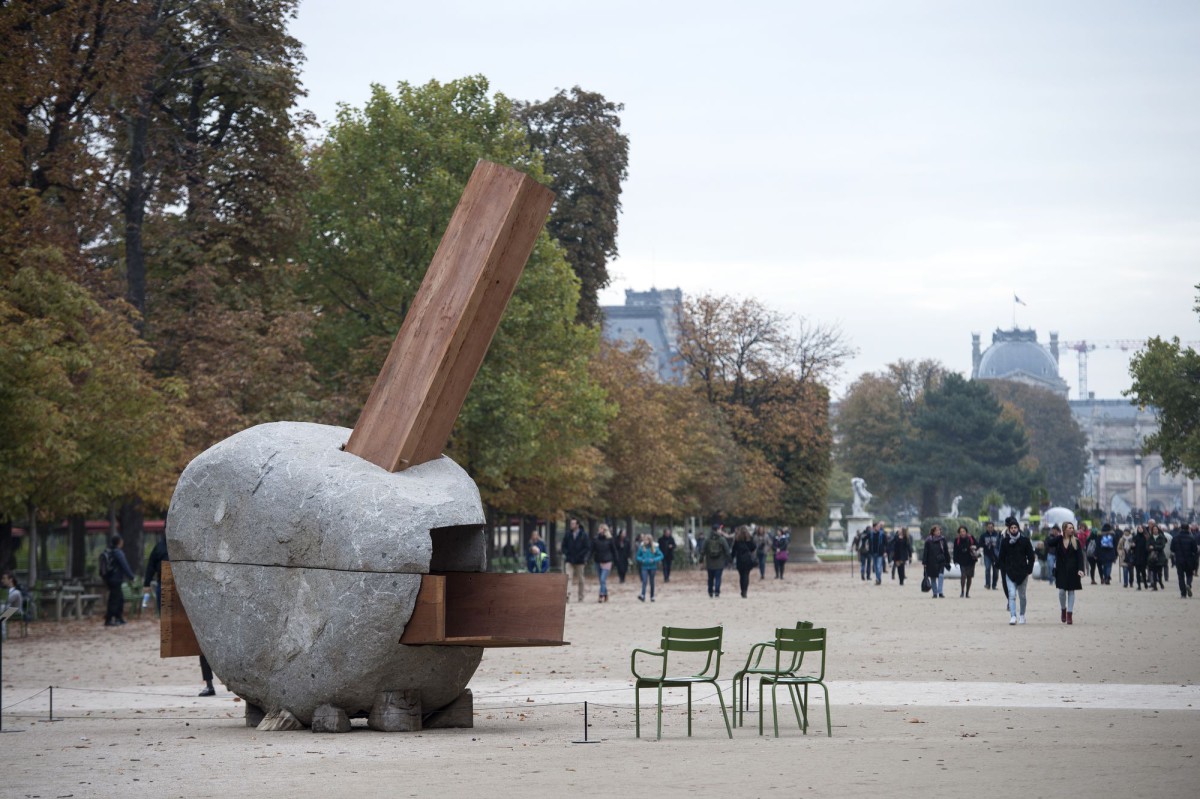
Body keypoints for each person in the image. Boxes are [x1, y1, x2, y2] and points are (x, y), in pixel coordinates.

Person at [998, 516, 1036, 625]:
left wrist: (1029, 569)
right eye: (1012, 528)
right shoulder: (1005, 542)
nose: (1013, 529)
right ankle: (1013, 616)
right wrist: (1003, 568)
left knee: (1022, 595)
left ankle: (1022, 615)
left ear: (1018, 528)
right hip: (1009, 572)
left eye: (1015, 527)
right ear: (1009, 529)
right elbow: (1001, 557)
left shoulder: (1025, 541)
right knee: (1011, 594)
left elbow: (1031, 557)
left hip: (1023, 572)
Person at [1052, 522, 1085, 624]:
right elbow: (1048, 543)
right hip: (1061, 570)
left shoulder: (1076, 541)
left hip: (1073, 570)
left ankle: (1069, 614)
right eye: (1070, 528)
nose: (1072, 529)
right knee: (1062, 592)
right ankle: (1063, 609)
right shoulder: (1059, 541)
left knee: (1071, 591)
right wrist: (1059, 537)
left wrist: (1081, 569)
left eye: (1072, 528)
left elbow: (1080, 557)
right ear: (1064, 529)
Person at [102, 534, 136, 627]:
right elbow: (124, 565)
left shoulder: (109, 551)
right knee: (114, 599)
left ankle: (118, 617)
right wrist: (131, 577)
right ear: (119, 542)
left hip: (109, 579)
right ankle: (109, 619)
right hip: (115, 579)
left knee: (119, 598)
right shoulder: (118, 552)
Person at [561, 518, 591, 603]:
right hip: (569, 560)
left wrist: (583, 557)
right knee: (568, 577)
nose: (571, 525)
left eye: (573, 524)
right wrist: (566, 553)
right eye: (571, 523)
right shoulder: (568, 534)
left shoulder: (583, 535)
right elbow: (564, 546)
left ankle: (580, 596)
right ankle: (567, 595)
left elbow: (587, 547)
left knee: (581, 579)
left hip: (580, 560)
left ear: (577, 525)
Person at [1169, 523, 1198, 598]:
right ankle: (1188, 584)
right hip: (1189, 559)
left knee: (1181, 576)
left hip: (1179, 560)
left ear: (1180, 528)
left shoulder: (1175, 538)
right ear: (1188, 528)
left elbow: (1172, 549)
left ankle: (1183, 593)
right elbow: (1195, 550)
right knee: (1189, 574)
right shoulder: (1191, 538)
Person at [922, 525, 950, 598]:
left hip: (941, 560)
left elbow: (946, 551)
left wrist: (948, 560)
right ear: (933, 532)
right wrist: (924, 562)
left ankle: (940, 592)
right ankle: (935, 593)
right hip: (931, 561)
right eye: (936, 531)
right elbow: (925, 552)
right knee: (933, 577)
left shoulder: (942, 539)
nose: (938, 532)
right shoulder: (928, 540)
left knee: (941, 576)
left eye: (939, 530)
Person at [702, 526, 731, 598]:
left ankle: (710, 591)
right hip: (719, 562)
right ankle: (717, 591)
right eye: (720, 529)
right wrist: (729, 559)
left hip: (710, 562)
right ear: (717, 530)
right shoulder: (722, 539)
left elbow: (703, 550)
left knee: (710, 578)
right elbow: (727, 550)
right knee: (718, 578)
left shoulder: (707, 539)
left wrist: (701, 559)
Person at [635, 534, 663, 602]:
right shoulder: (641, 548)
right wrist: (642, 560)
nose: (645, 541)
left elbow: (661, 555)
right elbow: (637, 556)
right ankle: (643, 595)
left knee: (652, 581)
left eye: (646, 540)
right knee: (644, 581)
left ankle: (652, 596)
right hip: (644, 567)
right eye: (644, 540)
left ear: (650, 541)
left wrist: (654, 560)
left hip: (652, 566)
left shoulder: (655, 548)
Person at [952, 525, 978, 598]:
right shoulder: (957, 540)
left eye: (963, 531)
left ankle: (967, 592)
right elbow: (955, 551)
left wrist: (974, 547)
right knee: (963, 576)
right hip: (961, 560)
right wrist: (955, 560)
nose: (962, 533)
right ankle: (962, 591)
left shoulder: (971, 538)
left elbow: (978, 544)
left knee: (969, 576)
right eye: (961, 532)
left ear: (966, 532)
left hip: (971, 560)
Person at [591, 525, 616, 603]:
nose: (600, 530)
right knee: (601, 580)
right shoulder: (595, 539)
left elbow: (614, 550)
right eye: (599, 529)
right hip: (598, 561)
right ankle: (605, 594)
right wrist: (587, 557)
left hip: (607, 561)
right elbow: (592, 549)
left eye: (601, 529)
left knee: (602, 579)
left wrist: (616, 560)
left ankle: (601, 595)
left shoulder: (610, 540)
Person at [731, 526, 756, 598]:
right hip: (747, 559)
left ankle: (742, 590)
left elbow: (734, 550)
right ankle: (745, 590)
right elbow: (754, 547)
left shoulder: (737, 540)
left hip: (740, 559)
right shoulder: (749, 539)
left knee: (741, 576)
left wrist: (731, 558)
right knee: (746, 575)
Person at [2, 571, 24, 641]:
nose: (2, 580)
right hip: (10, 610)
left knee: (2, 617)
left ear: (10, 580)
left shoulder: (16, 592)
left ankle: (3, 636)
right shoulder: (7, 591)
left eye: (4, 578)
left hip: (15, 610)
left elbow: (6, 601)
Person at [1147, 522, 1168, 591]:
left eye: (1156, 529)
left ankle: (1160, 582)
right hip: (1152, 557)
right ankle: (1155, 586)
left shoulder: (1161, 537)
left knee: (1159, 572)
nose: (1155, 530)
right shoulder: (1150, 537)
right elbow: (1147, 546)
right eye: (1154, 529)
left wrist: (1153, 547)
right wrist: (1150, 548)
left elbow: (1162, 546)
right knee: (1154, 572)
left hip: (1160, 556)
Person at [979, 521, 1001, 590]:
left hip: (996, 555)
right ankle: (987, 584)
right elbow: (980, 544)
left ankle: (994, 585)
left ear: (993, 527)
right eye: (989, 527)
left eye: (991, 527)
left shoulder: (997, 535)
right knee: (987, 569)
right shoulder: (983, 535)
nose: (990, 528)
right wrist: (986, 544)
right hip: (987, 554)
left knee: (996, 570)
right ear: (987, 528)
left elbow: (1001, 544)